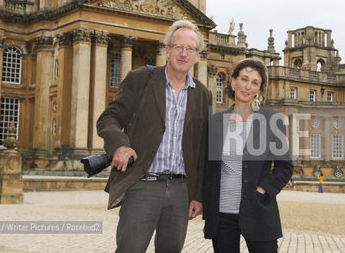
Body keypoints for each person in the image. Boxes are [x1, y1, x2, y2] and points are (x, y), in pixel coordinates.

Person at [97, 20, 211, 253]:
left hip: (181, 191)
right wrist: (119, 146)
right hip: (142, 184)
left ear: (197, 56)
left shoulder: (203, 94)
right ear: (167, 50)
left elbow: (202, 150)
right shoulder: (141, 78)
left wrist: (198, 195)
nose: (183, 53)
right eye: (178, 46)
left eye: (190, 49)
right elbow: (108, 119)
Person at [203, 58, 293, 253]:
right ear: (233, 81)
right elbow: (208, 168)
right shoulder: (217, 121)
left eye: (255, 83)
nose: (247, 86)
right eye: (244, 79)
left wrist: (263, 188)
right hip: (222, 213)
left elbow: (284, 167)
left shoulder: (271, 120)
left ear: (259, 90)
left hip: (258, 209)